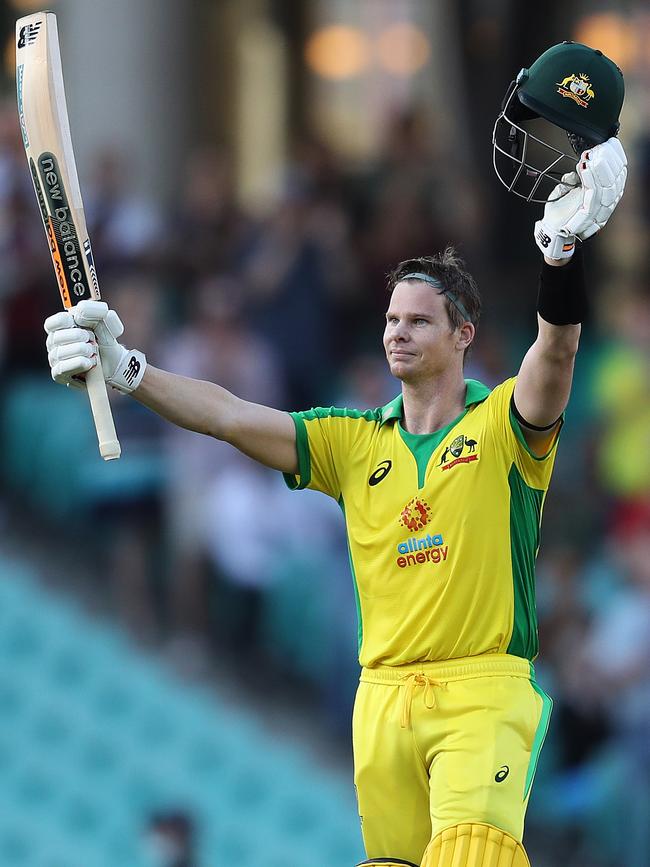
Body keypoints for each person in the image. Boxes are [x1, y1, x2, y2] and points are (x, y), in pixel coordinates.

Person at [43, 43, 627, 867]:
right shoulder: (354, 441)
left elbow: (557, 357)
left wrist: (561, 258)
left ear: (462, 335)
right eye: (391, 318)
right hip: (381, 698)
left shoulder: (502, 426)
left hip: (482, 689)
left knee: (474, 853)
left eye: (419, 320)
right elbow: (231, 416)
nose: (397, 330)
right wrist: (130, 370)